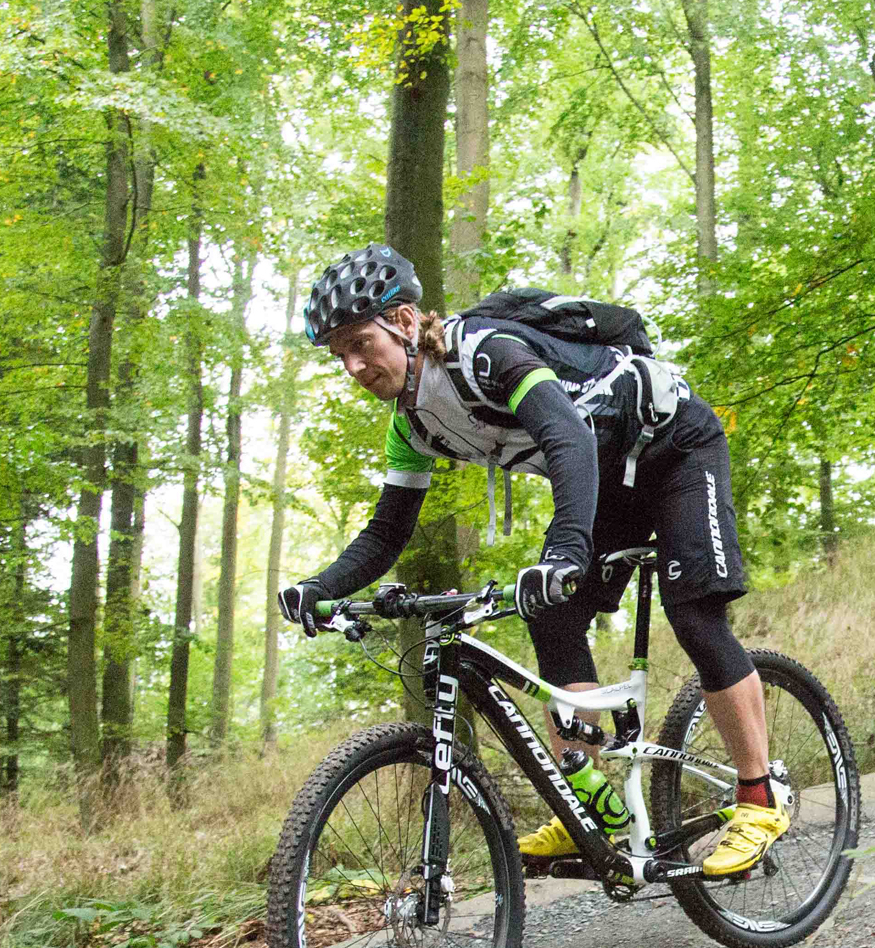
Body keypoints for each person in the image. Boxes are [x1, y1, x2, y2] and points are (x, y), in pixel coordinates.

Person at [275, 244, 788, 876]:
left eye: (360, 343)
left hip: (675, 447)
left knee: (695, 618)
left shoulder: (485, 353)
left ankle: (759, 797)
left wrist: (565, 550)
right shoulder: (410, 425)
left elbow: (565, 433)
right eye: (340, 355)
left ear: (405, 322)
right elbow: (388, 531)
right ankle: (592, 809)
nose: (353, 365)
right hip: (607, 475)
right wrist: (319, 587)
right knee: (550, 616)